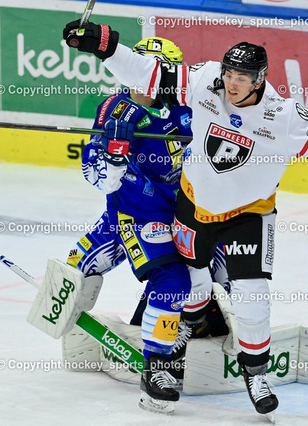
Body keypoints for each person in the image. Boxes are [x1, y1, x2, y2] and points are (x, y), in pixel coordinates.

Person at [63, 22, 308, 419]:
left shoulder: (281, 115)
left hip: (248, 214)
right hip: (183, 210)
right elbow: (150, 75)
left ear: (260, 80)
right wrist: (106, 46)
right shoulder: (200, 85)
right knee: (184, 282)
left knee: (249, 295)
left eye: (242, 78)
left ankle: (254, 370)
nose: (231, 84)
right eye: (229, 75)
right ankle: (165, 356)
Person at [65, 36, 229, 414]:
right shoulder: (115, 110)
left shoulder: (188, 105)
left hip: (187, 210)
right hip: (138, 214)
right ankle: (158, 369)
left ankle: (195, 325)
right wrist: (115, 156)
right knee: (173, 281)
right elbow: (99, 179)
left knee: (226, 272)